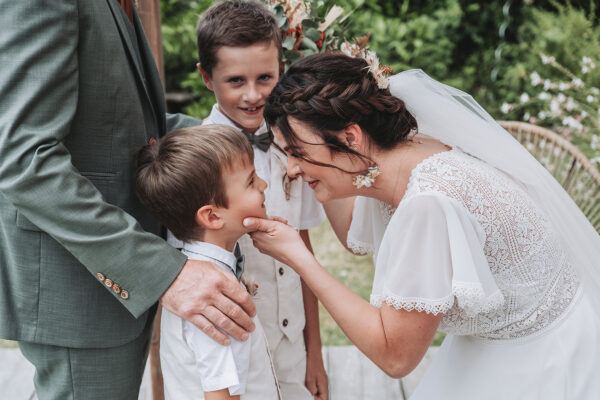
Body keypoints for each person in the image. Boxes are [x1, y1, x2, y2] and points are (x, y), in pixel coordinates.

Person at [243, 52, 600, 399]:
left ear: (351, 137)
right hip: (497, 343)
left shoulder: (428, 203)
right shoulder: (405, 153)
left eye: (296, 152)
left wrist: (300, 259)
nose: (291, 169)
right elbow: (355, 230)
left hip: (542, 362)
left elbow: (395, 357)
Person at [0, 2, 255, 399]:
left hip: (112, 284)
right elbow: (25, 160)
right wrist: (159, 272)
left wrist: (236, 132)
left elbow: (124, 129)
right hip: (78, 288)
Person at [173, 2, 328, 399]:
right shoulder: (196, 162)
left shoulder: (294, 142)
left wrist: (316, 352)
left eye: (266, 78)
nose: (253, 95)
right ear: (207, 77)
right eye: (236, 81)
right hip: (231, 351)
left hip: (293, 348)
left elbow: (304, 248)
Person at [135, 125, 281, 400]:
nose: (263, 184)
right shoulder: (212, 297)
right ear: (212, 217)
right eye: (251, 181)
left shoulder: (194, 277)